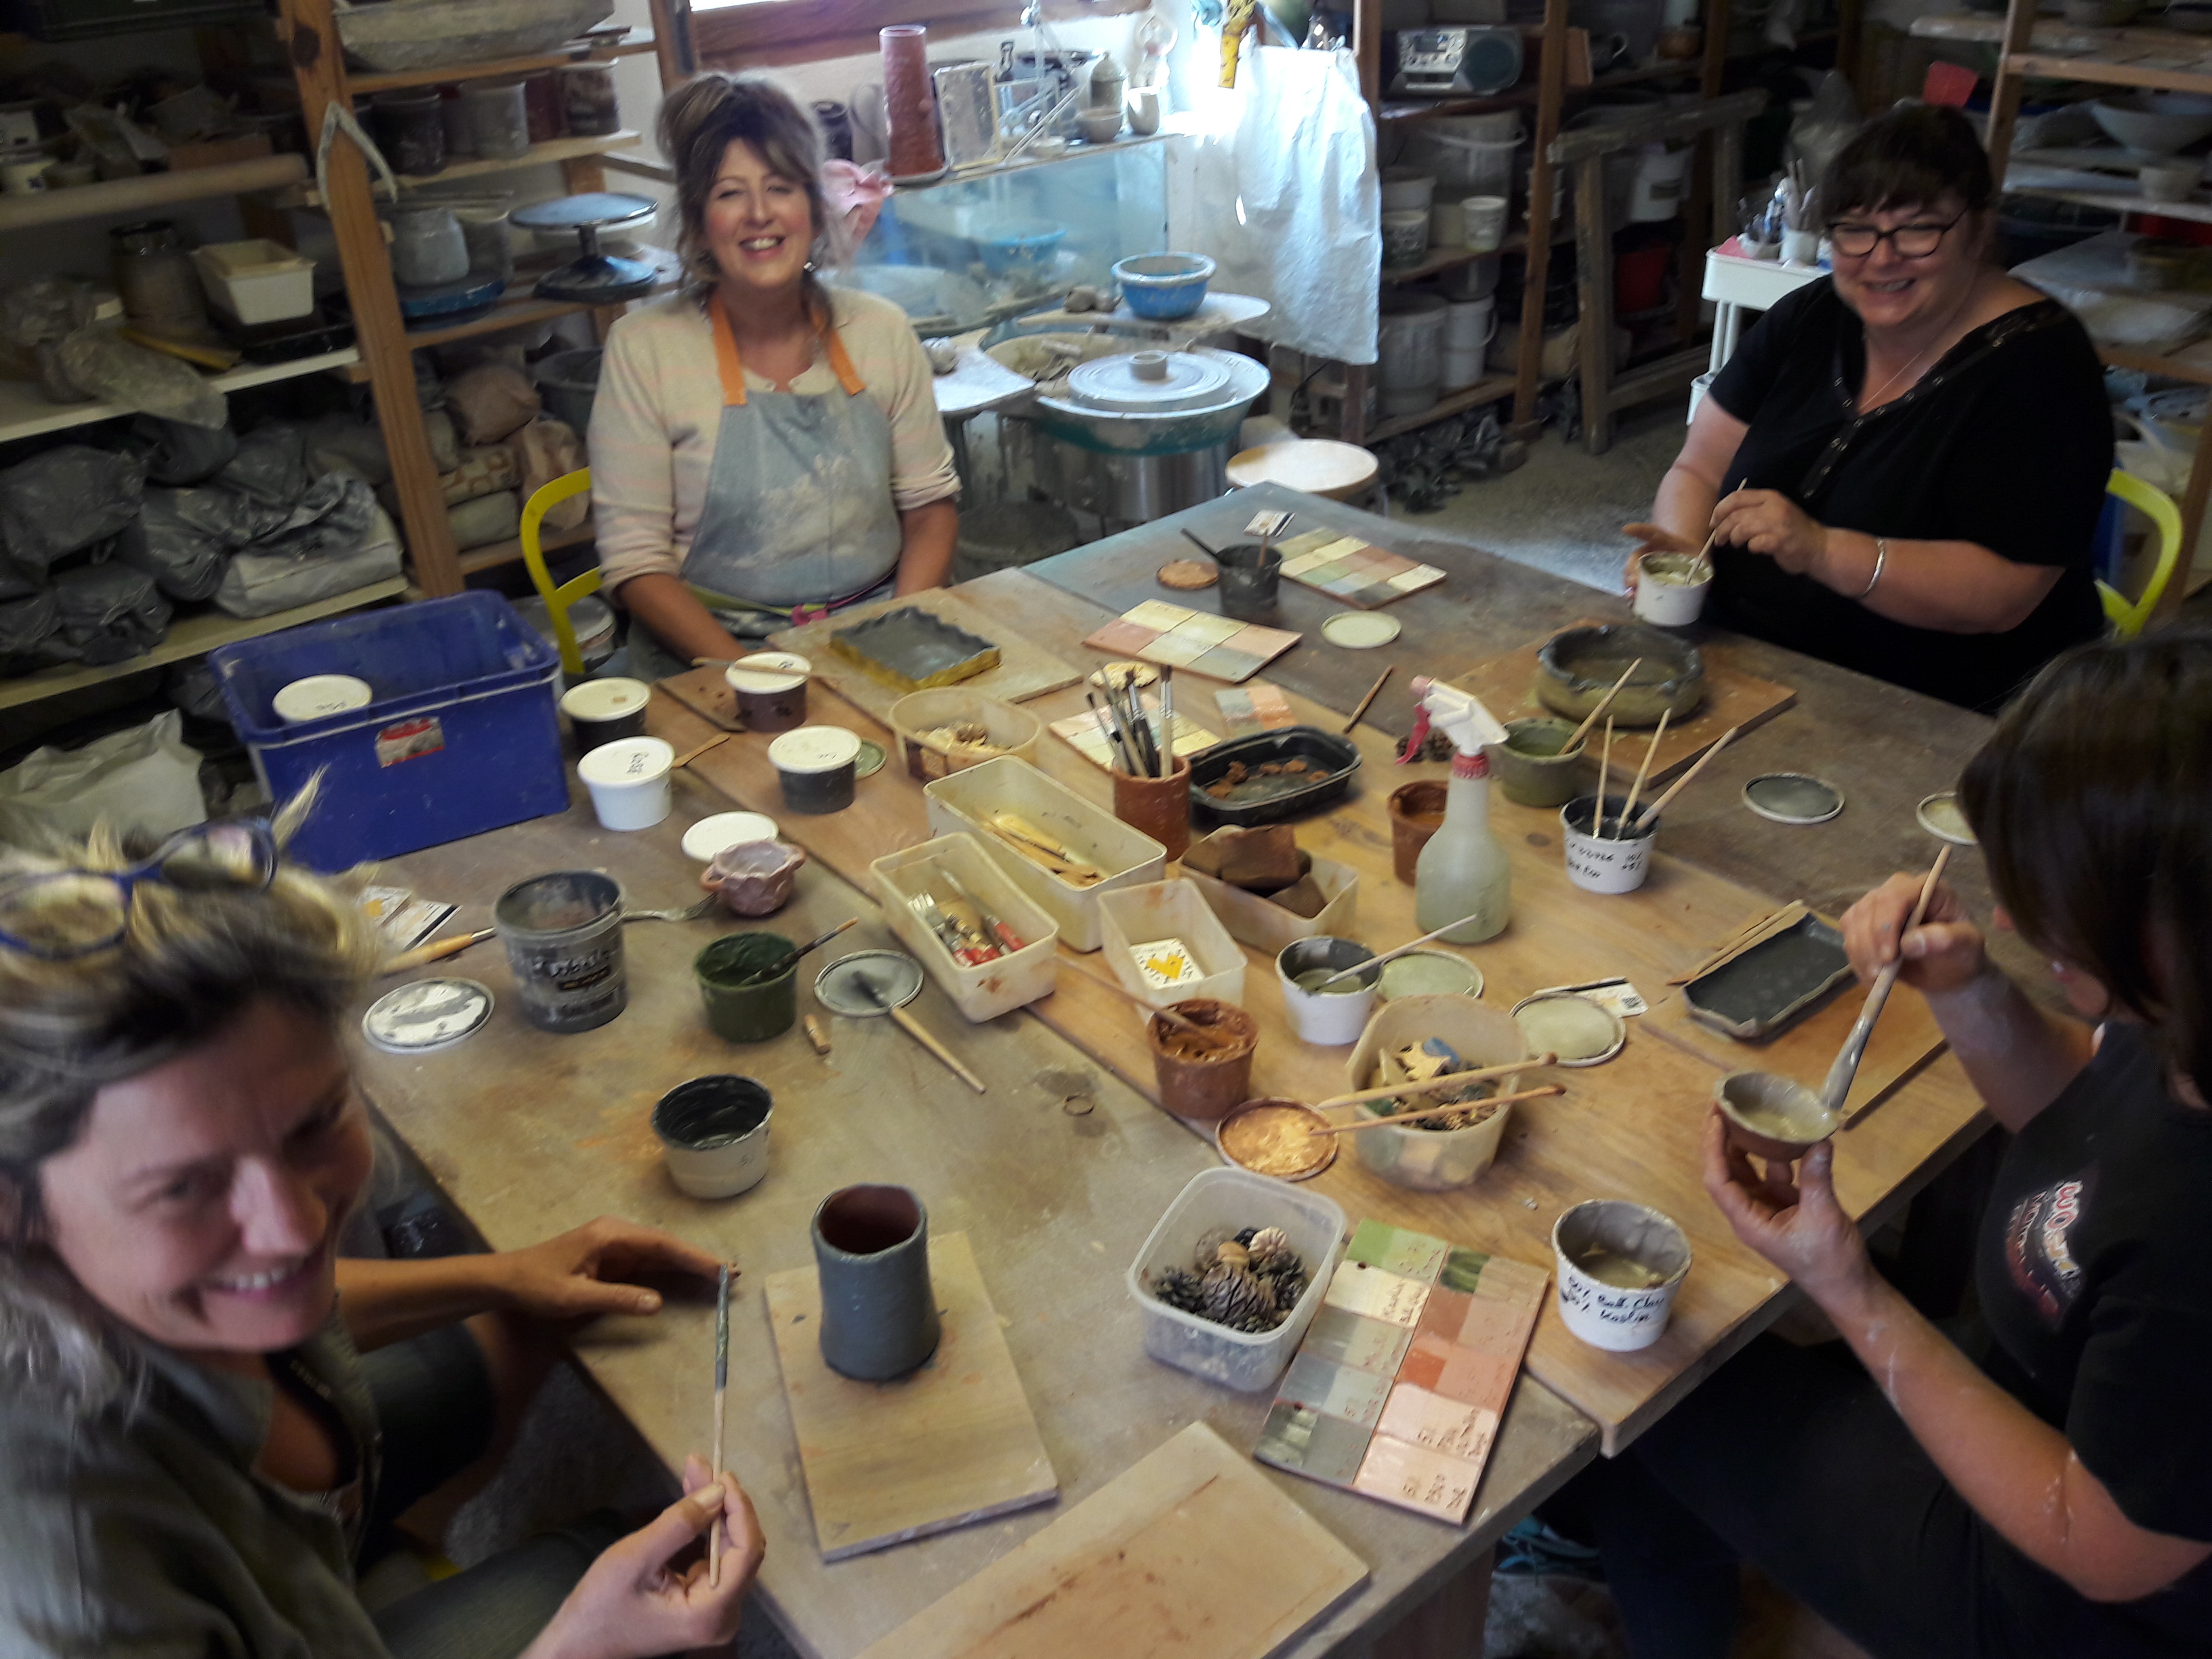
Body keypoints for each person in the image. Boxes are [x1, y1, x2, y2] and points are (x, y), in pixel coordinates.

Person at [1549, 630, 2212, 1658]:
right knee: (1692, 1395)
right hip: (2034, 1397)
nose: (2009, 917)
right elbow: (2083, 1108)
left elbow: (2100, 1546)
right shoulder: (2180, 1021)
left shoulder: (2195, 1250)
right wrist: (1969, 990)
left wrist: (1852, 1292)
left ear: (2167, 920)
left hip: (2059, 1598)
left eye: (2052, 899)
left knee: (1646, 1400)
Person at [0, 798, 766, 1659]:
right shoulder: (75, 1588)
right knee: (674, 1614)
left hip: (300, 1557)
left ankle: (383, 1557)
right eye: (185, 1187)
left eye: (315, 1122)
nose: (294, 1226)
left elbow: (312, 1288)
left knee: (532, 1321)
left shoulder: (143, 1274)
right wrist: (578, 1647)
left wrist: (508, 1275)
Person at [1624, 105, 2110, 714]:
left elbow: (2004, 594)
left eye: (1917, 230)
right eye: (1854, 229)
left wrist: (1822, 551)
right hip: (1758, 659)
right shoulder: (1811, 316)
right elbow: (1699, 467)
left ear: (1978, 231)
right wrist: (1680, 556)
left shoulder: (2042, 369)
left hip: (1938, 705)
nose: (1881, 258)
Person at [590, 71, 960, 683]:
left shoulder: (882, 332)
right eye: (729, 193)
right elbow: (636, 564)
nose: (759, 214)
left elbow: (930, 508)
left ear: (814, 209)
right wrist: (755, 679)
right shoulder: (644, 350)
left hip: (879, 638)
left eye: (780, 188)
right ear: (698, 222)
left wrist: (898, 633)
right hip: (708, 659)